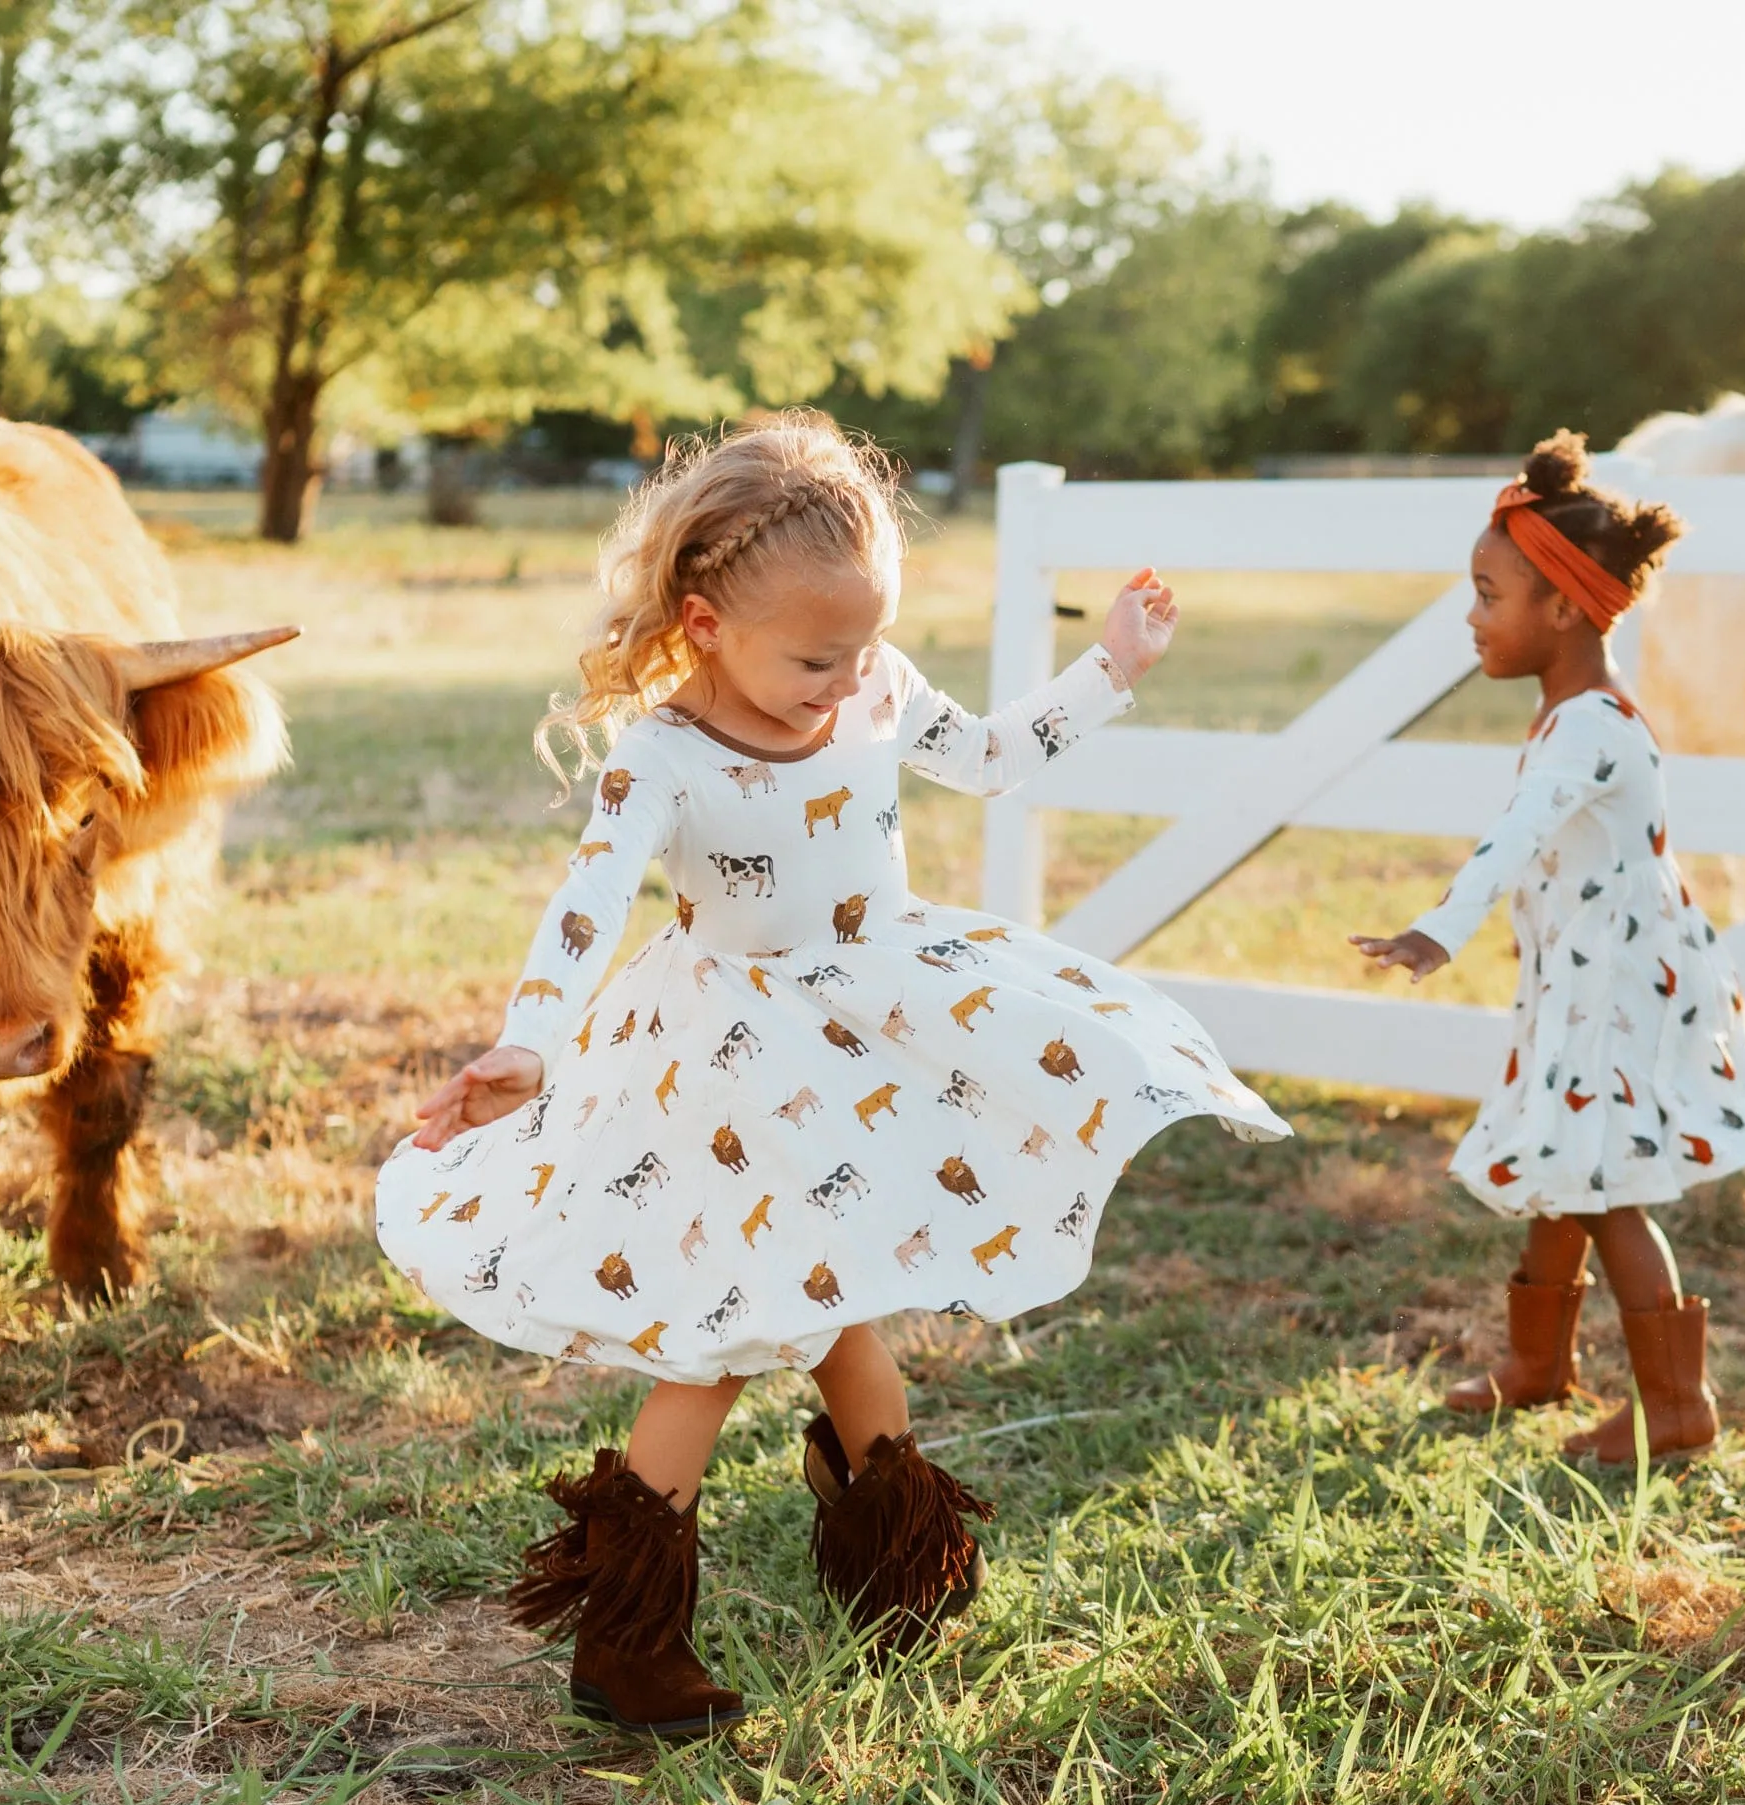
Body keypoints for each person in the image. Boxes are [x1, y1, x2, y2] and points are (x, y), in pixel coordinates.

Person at [376, 410, 1290, 1736]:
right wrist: (527, 1040)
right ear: (701, 625)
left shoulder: (870, 684)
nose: (846, 677)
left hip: (873, 1023)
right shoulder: (664, 757)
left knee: (843, 1286)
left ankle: (896, 1563)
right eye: (815, 655)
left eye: (862, 645)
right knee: (723, 1336)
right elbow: (586, 905)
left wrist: (1112, 668)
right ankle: (626, 1639)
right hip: (728, 1065)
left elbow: (986, 757)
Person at [1353, 432, 1745, 1464]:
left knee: (1603, 1189)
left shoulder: (1587, 727)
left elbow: (1512, 839)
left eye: (1487, 592)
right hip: (1583, 982)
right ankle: (1538, 1363)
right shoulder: (1571, 714)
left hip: (1615, 993)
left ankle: (1675, 1409)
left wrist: (1435, 930)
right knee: (1561, 1160)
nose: (1471, 613)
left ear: (1561, 606)